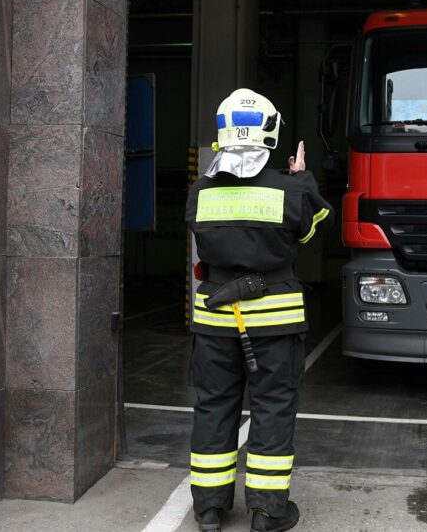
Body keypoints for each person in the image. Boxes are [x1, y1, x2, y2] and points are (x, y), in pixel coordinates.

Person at [185, 88, 332, 532]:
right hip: (275, 323)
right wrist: (302, 180)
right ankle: (267, 512)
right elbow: (311, 232)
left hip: (214, 322)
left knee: (213, 407)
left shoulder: (199, 192)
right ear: (269, 132)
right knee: (272, 409)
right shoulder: (289, 191)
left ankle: (210, 509)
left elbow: (205, 244)